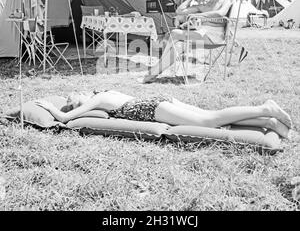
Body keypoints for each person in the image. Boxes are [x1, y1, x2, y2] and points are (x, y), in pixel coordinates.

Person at [36, 90, 292, 139]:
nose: (72, 102)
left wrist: (52, 108)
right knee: (213, 117)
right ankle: (268, 121)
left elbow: (66, 119)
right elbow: (70, 115)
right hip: (159, 101)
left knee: (210, 121)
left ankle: (264, 109)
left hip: (154, 109)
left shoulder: (98, 98)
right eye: (71, 102)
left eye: (70, 99)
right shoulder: (104, 95)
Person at [141, 0, 233, 84]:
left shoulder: (225, 2)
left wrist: (198, 15)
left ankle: (154, 70)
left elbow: (220, 13)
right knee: (178, 46)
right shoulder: (203, 5)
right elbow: (179, 11)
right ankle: (152, 74)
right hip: (202, 35)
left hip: (215, 37)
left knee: (174, 33)